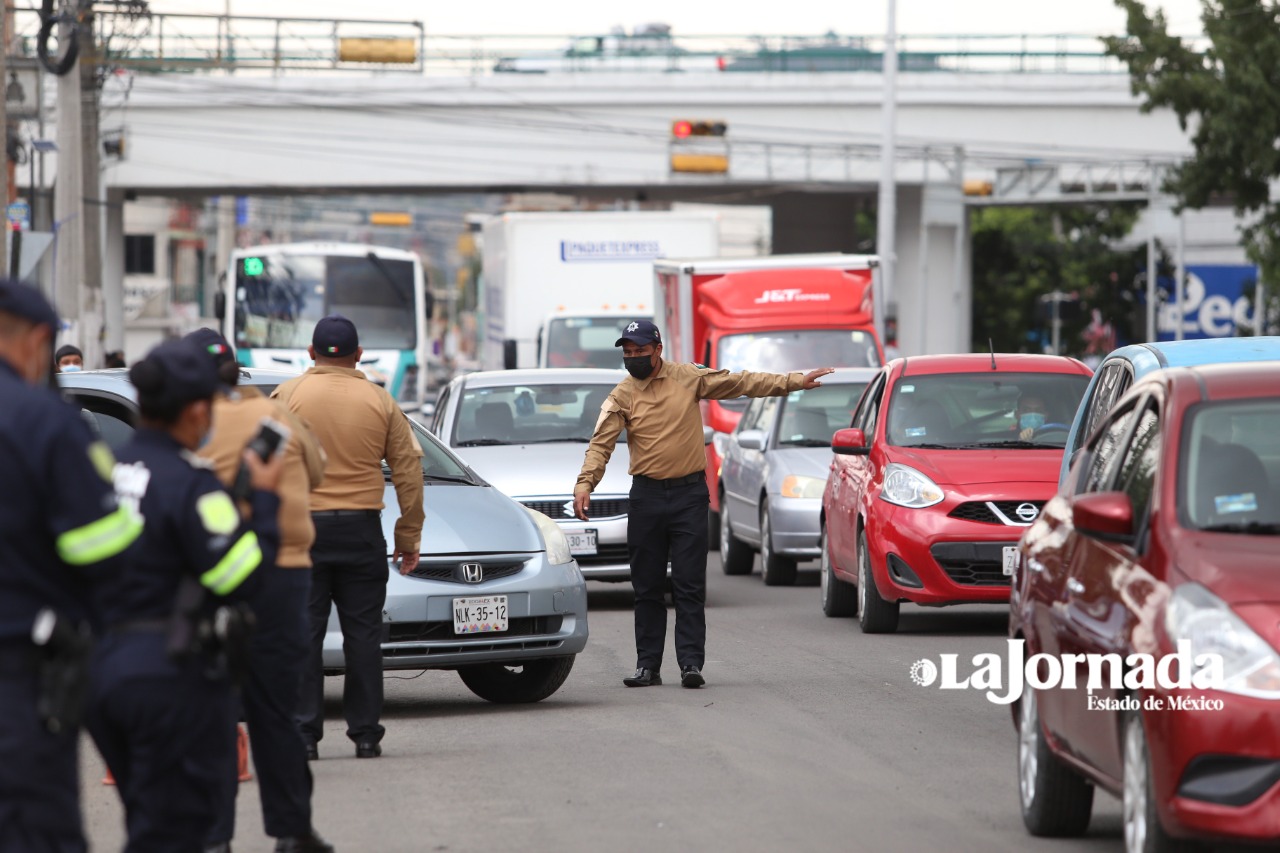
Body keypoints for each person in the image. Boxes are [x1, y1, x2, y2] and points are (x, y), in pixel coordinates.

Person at [85, 338, 284, 852]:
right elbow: (240, 577)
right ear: (195, 410)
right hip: (170, 676)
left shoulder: (105, 472)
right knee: (185, 826)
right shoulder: (190, 484)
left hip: (101, 672)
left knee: (149, 819)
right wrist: (262, 502)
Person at [573, 319, 833, 689]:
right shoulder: (621, 395)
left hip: (688, 496)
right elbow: (600, 444)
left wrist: (794, 381)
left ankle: (691, 664)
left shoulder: (688, 378)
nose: (633, 359)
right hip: (646, 498)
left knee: (688, 584)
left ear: (657, 350)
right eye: (627, 354)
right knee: (646, 587)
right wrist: (586, 483)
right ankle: (647, 666)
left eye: (639, 353)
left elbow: (742, 383)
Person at [0, 280, 142, 853]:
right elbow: (106, 551)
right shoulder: (46, 422)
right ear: (38, 341)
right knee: (38, 828)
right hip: (22, 667)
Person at [187, 329, 333, 853]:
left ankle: (213, 839)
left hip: (215, 575)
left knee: (215, 712)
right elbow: (317, 471)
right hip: (285, 575)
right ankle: (292, 831)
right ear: (238, 370)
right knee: (276, 710)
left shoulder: (191, 425)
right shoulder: (278, 417)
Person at [272, 314, 424, 759]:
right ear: (359, 355)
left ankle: (303, 736)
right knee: (363, 636)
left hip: (304, 532)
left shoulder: (287, 396)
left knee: (304, 635)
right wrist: (408, 535)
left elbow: (264, 464)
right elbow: (408, 473)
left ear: (310, 354)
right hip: (361, 531)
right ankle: (365, 735)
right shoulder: (381, 401)